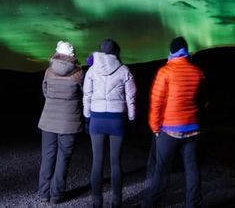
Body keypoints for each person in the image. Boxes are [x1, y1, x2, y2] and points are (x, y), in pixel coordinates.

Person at [143, 36, 207, 208]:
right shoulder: (197, 72)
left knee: (162, 170)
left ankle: (150, 205)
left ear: (171, 52)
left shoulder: (165, 72)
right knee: (192, 167)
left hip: (169, 129)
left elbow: (157, 102)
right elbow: (204, 102)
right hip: (192, 129)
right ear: (185, 51)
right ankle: (194, 204)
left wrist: (155, 127)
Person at [83, 39, 137, 208]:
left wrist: (87, 117)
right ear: (116, 51)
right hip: (116, 121)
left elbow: (87, 96)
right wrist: (132, 118)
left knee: (97, 161)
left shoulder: (91, 71)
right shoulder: (124, 70)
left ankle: (96, 201)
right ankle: (116, 200)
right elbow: (131, 98)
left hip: (97, 120)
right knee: (116, 162)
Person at [38, 40, 85, 204]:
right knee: (63, 158)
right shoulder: (79, 73)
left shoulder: (48, 72)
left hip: (48, 121)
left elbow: (45, 92)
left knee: (47, 157)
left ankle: (43, 193)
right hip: (69, 122)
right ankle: (56, 195)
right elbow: (82, 95)